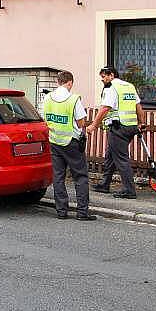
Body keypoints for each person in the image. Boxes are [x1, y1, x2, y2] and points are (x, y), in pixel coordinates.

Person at [43, 71, 96, 220]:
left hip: (54, 141)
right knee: (80, 176)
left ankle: (61, 211)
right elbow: (81, 122)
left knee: (58, 176)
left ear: (58, 82)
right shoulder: (73, 99)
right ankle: (82, 212)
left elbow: (45, 119)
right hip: (72, 142)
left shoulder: (47, 98)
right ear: (70, 83)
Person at [86, 66, 145, 199]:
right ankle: (105, 184)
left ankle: (129, 190)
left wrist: (93, 125)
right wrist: (141, 123)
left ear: (111, 75)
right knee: (111, 155)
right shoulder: (130, 86)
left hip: (118, 128)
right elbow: (138, 107)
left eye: (104, 76)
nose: (102, 79)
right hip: (131, 127)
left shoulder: (111, 88)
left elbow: (105, 108)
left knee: (121, 159)